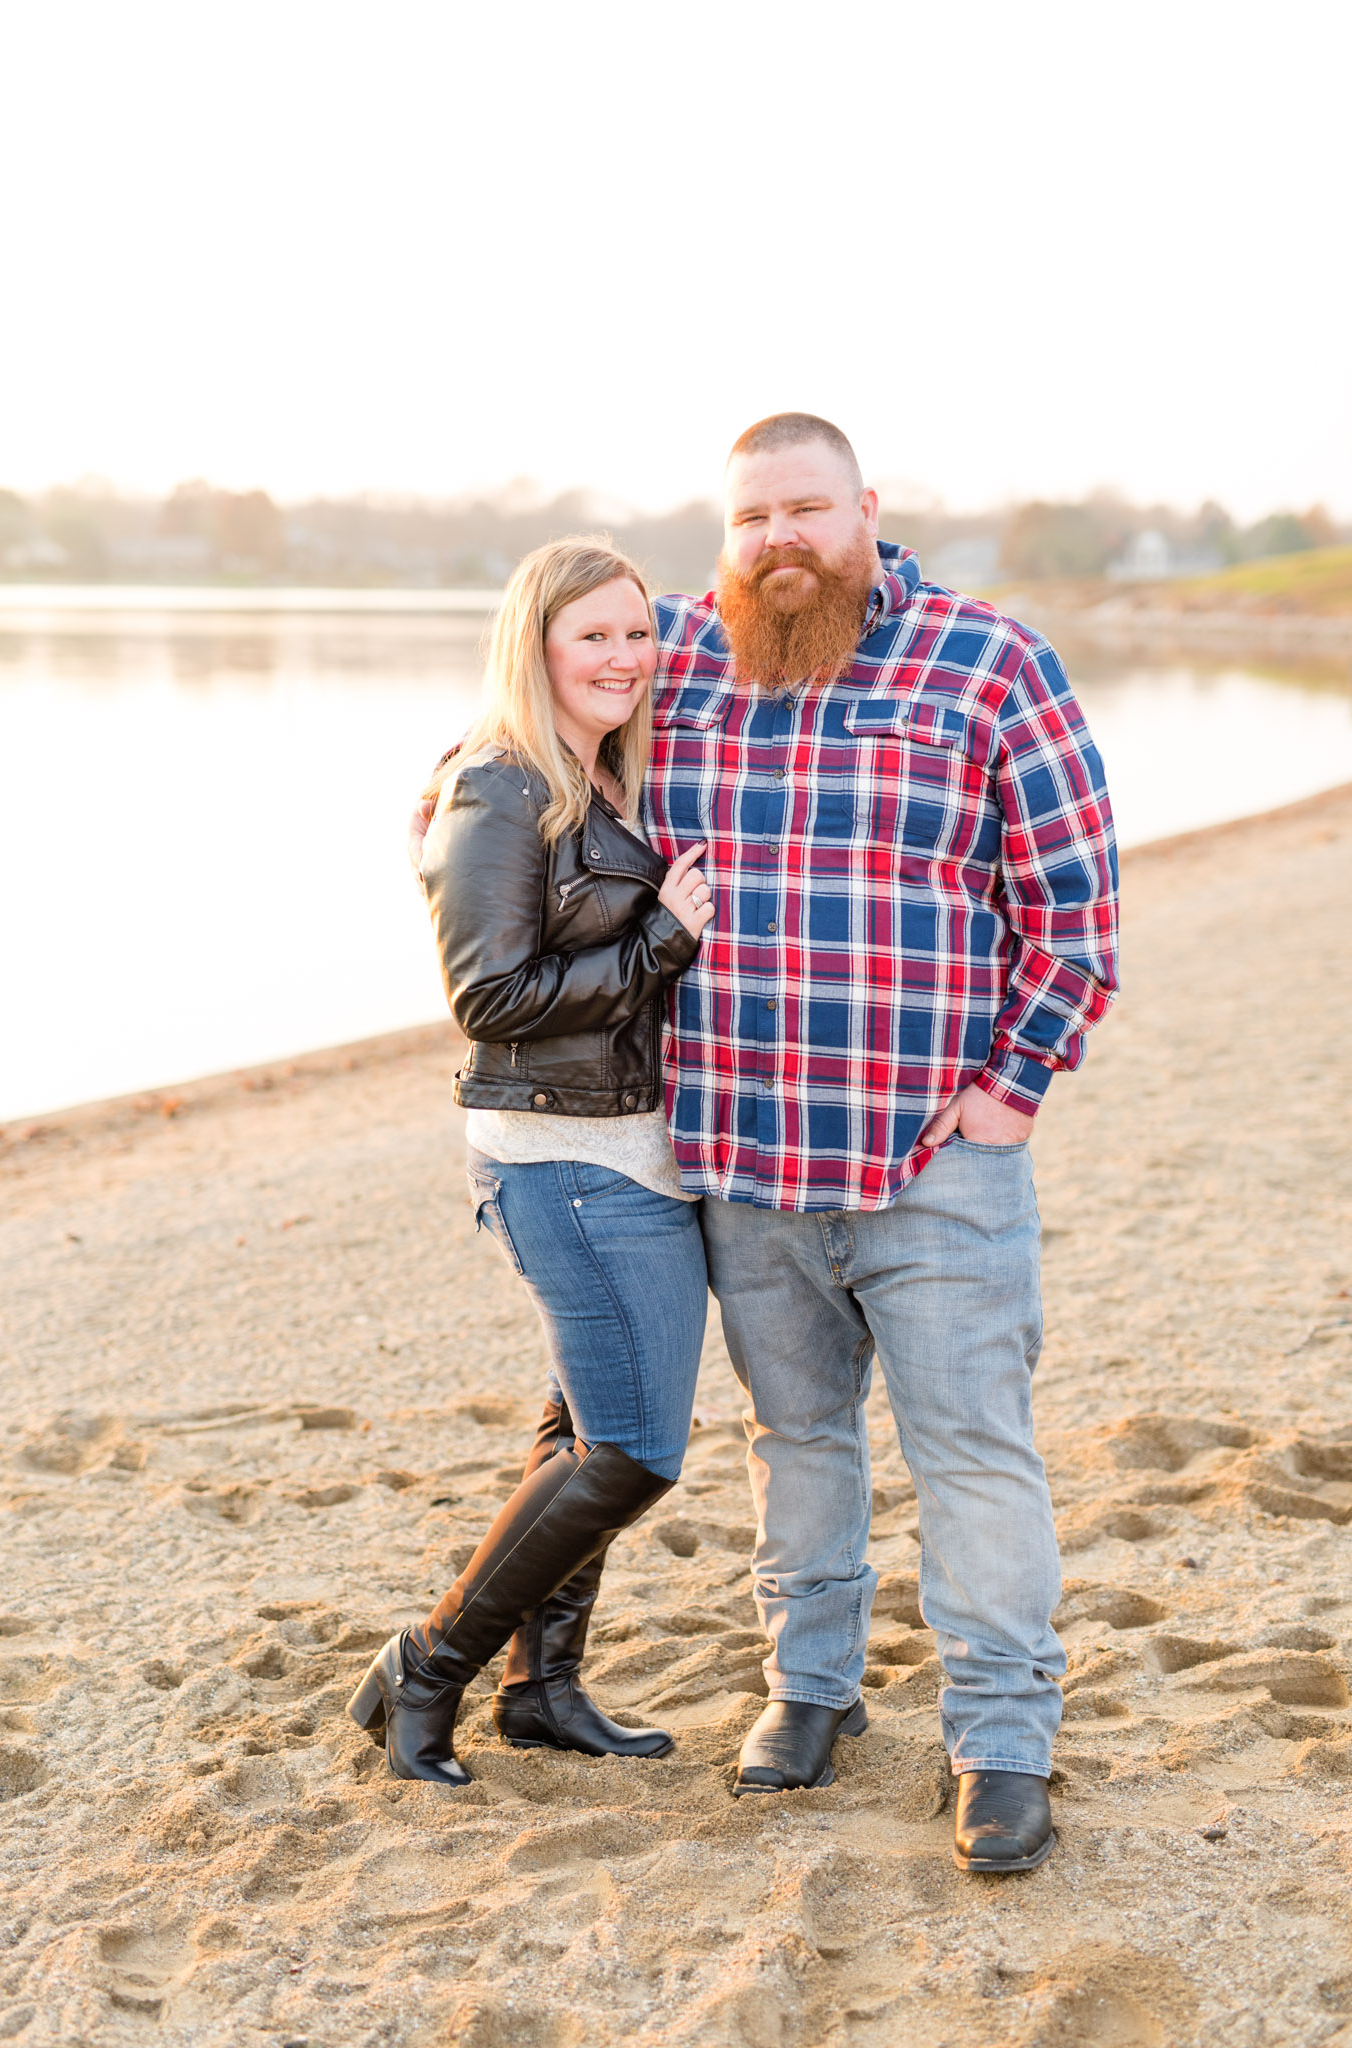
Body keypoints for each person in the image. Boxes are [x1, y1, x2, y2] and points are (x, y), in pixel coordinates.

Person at [410, 415, 1119, 1873]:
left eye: (805, 509)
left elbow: (1076, 913)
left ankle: (996, 1741)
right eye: (750, 520)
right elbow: (541, 693)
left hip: (933, 1165)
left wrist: (1008, 1089)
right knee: (793, 1442)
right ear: (722, 536)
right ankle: (807, 1692)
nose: (777, 540)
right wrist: (450, 791)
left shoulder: (986, 665)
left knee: (971, 1453)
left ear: (867, 509)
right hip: (733, 1156)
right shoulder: (683, 653)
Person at [351, 537, 715, 1785]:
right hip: (561, 1159)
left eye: (636, 632)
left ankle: (544, 1688)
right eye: (591, 636)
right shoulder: (501, 781)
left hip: (630, 1147)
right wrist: (662, 940)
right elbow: (487, 994)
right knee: (631, 1449)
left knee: (578, 1428)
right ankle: (429, 1661)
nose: (622, 657)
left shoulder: (601, 772)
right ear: (537, 645)